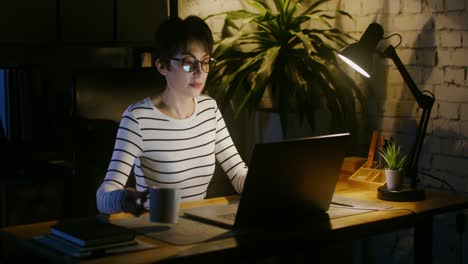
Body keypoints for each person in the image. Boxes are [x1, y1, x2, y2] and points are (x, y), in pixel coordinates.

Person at [96, 15, 248, 216]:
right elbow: (103, 196)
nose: (199, 72)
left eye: (205, 62)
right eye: (188, 63)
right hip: (156, 228)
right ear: (162, 66)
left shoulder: (209, 109)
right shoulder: (137, 119)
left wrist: (271, 185)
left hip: (199, 226)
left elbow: (238, 174)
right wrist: (129, 199)